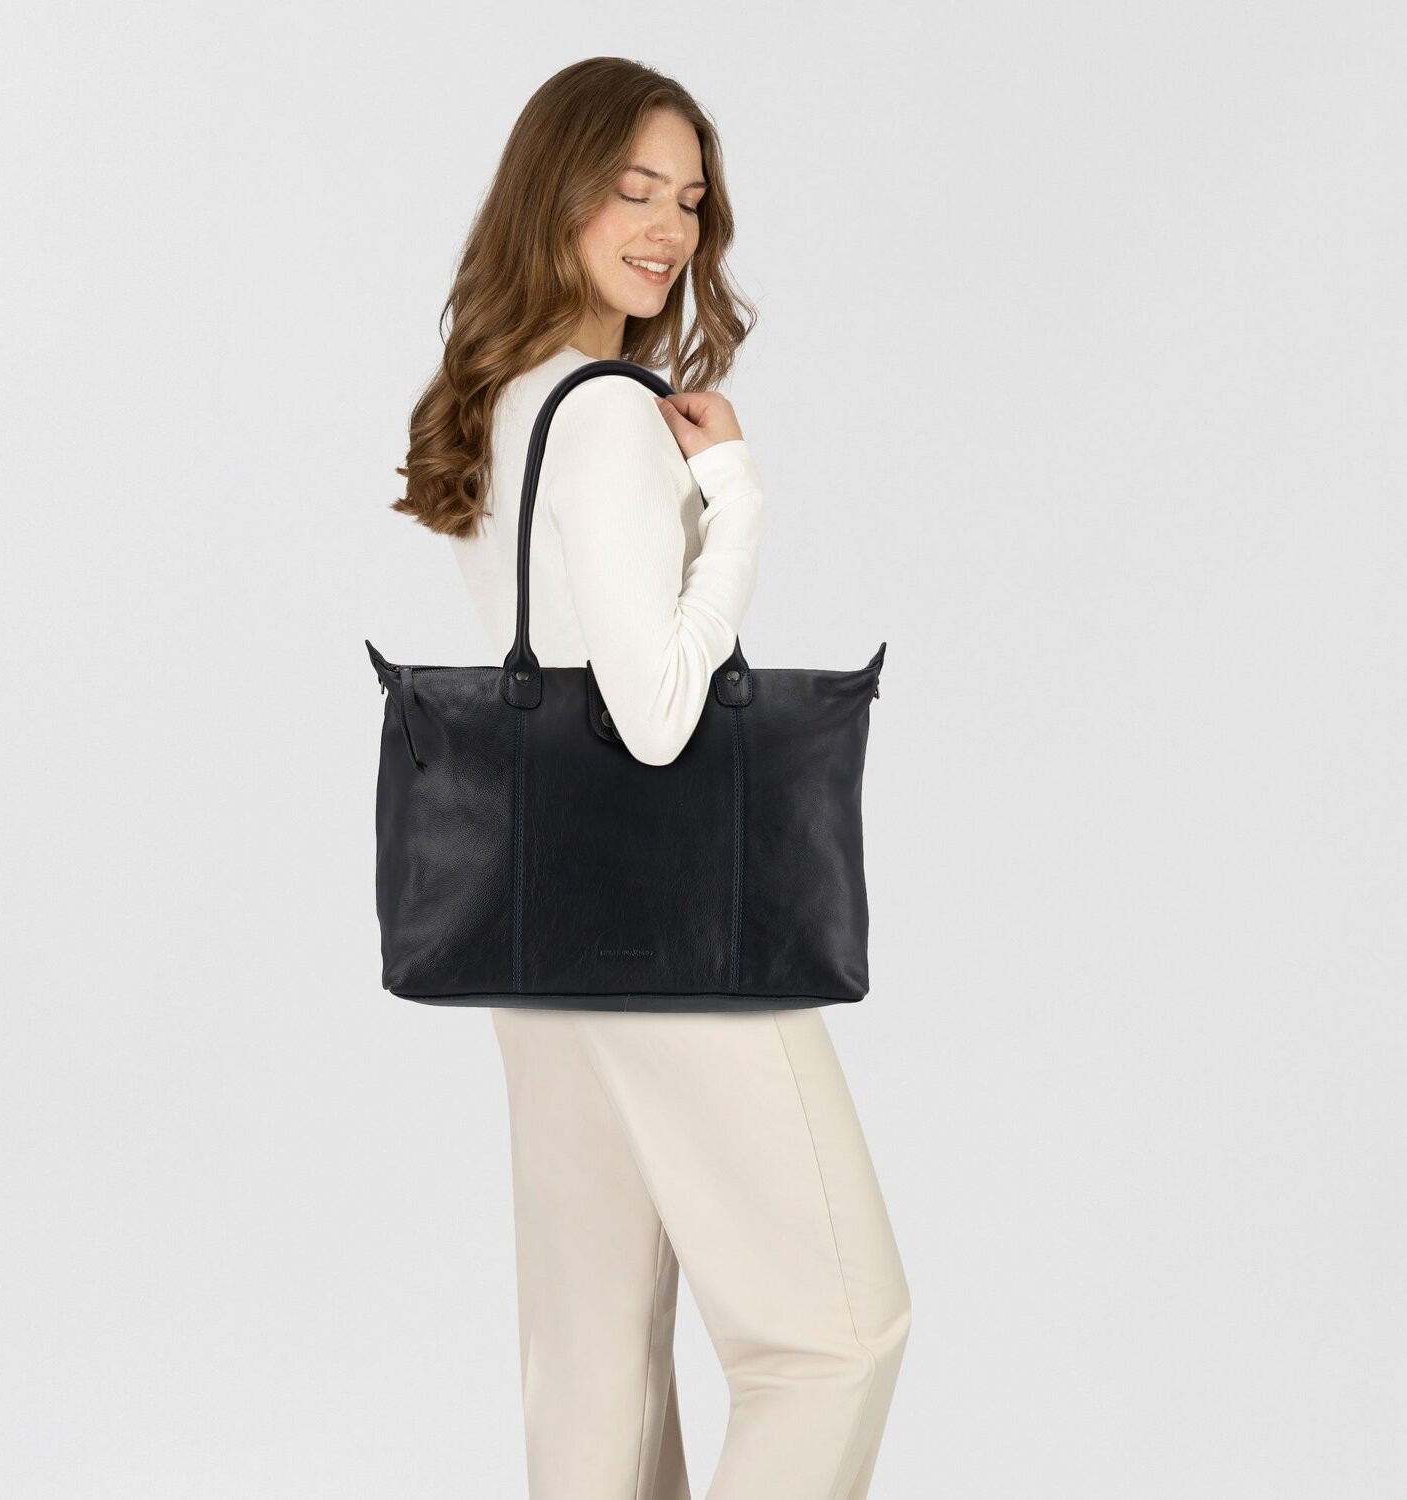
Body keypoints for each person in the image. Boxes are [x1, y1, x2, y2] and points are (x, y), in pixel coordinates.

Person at [392, 56, 911, 1500]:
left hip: (544, 937)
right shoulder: (607, 412)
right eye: (633, 190)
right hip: (669, 932)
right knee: (837, 1337)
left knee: (593, 1366)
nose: (669, 228)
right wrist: (735, 496)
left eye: (688, 200)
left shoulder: (500, 401)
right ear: (552, 193)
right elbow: (661, 713)